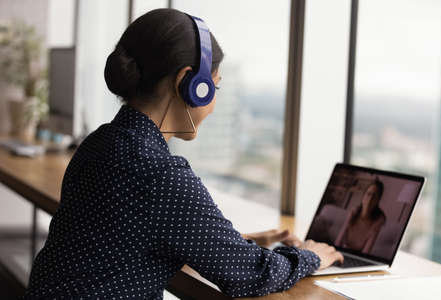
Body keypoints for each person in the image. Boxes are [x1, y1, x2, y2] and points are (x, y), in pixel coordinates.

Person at [24, 9, 343, 299]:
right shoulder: (157, 171)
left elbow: (123, 236)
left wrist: (233, 242)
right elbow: (249, 275)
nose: (214, 104)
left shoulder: (101, 142)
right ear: (190, 83)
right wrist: (311, 256)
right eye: (215, 87)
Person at [335, 180, 386, 254]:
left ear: (378, 200)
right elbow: (339, 239)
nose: (370, 198)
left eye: (374, 195)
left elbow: (367, 250)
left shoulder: (378, 220)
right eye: (368, 194)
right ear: (363, 196)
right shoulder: (353, 212)